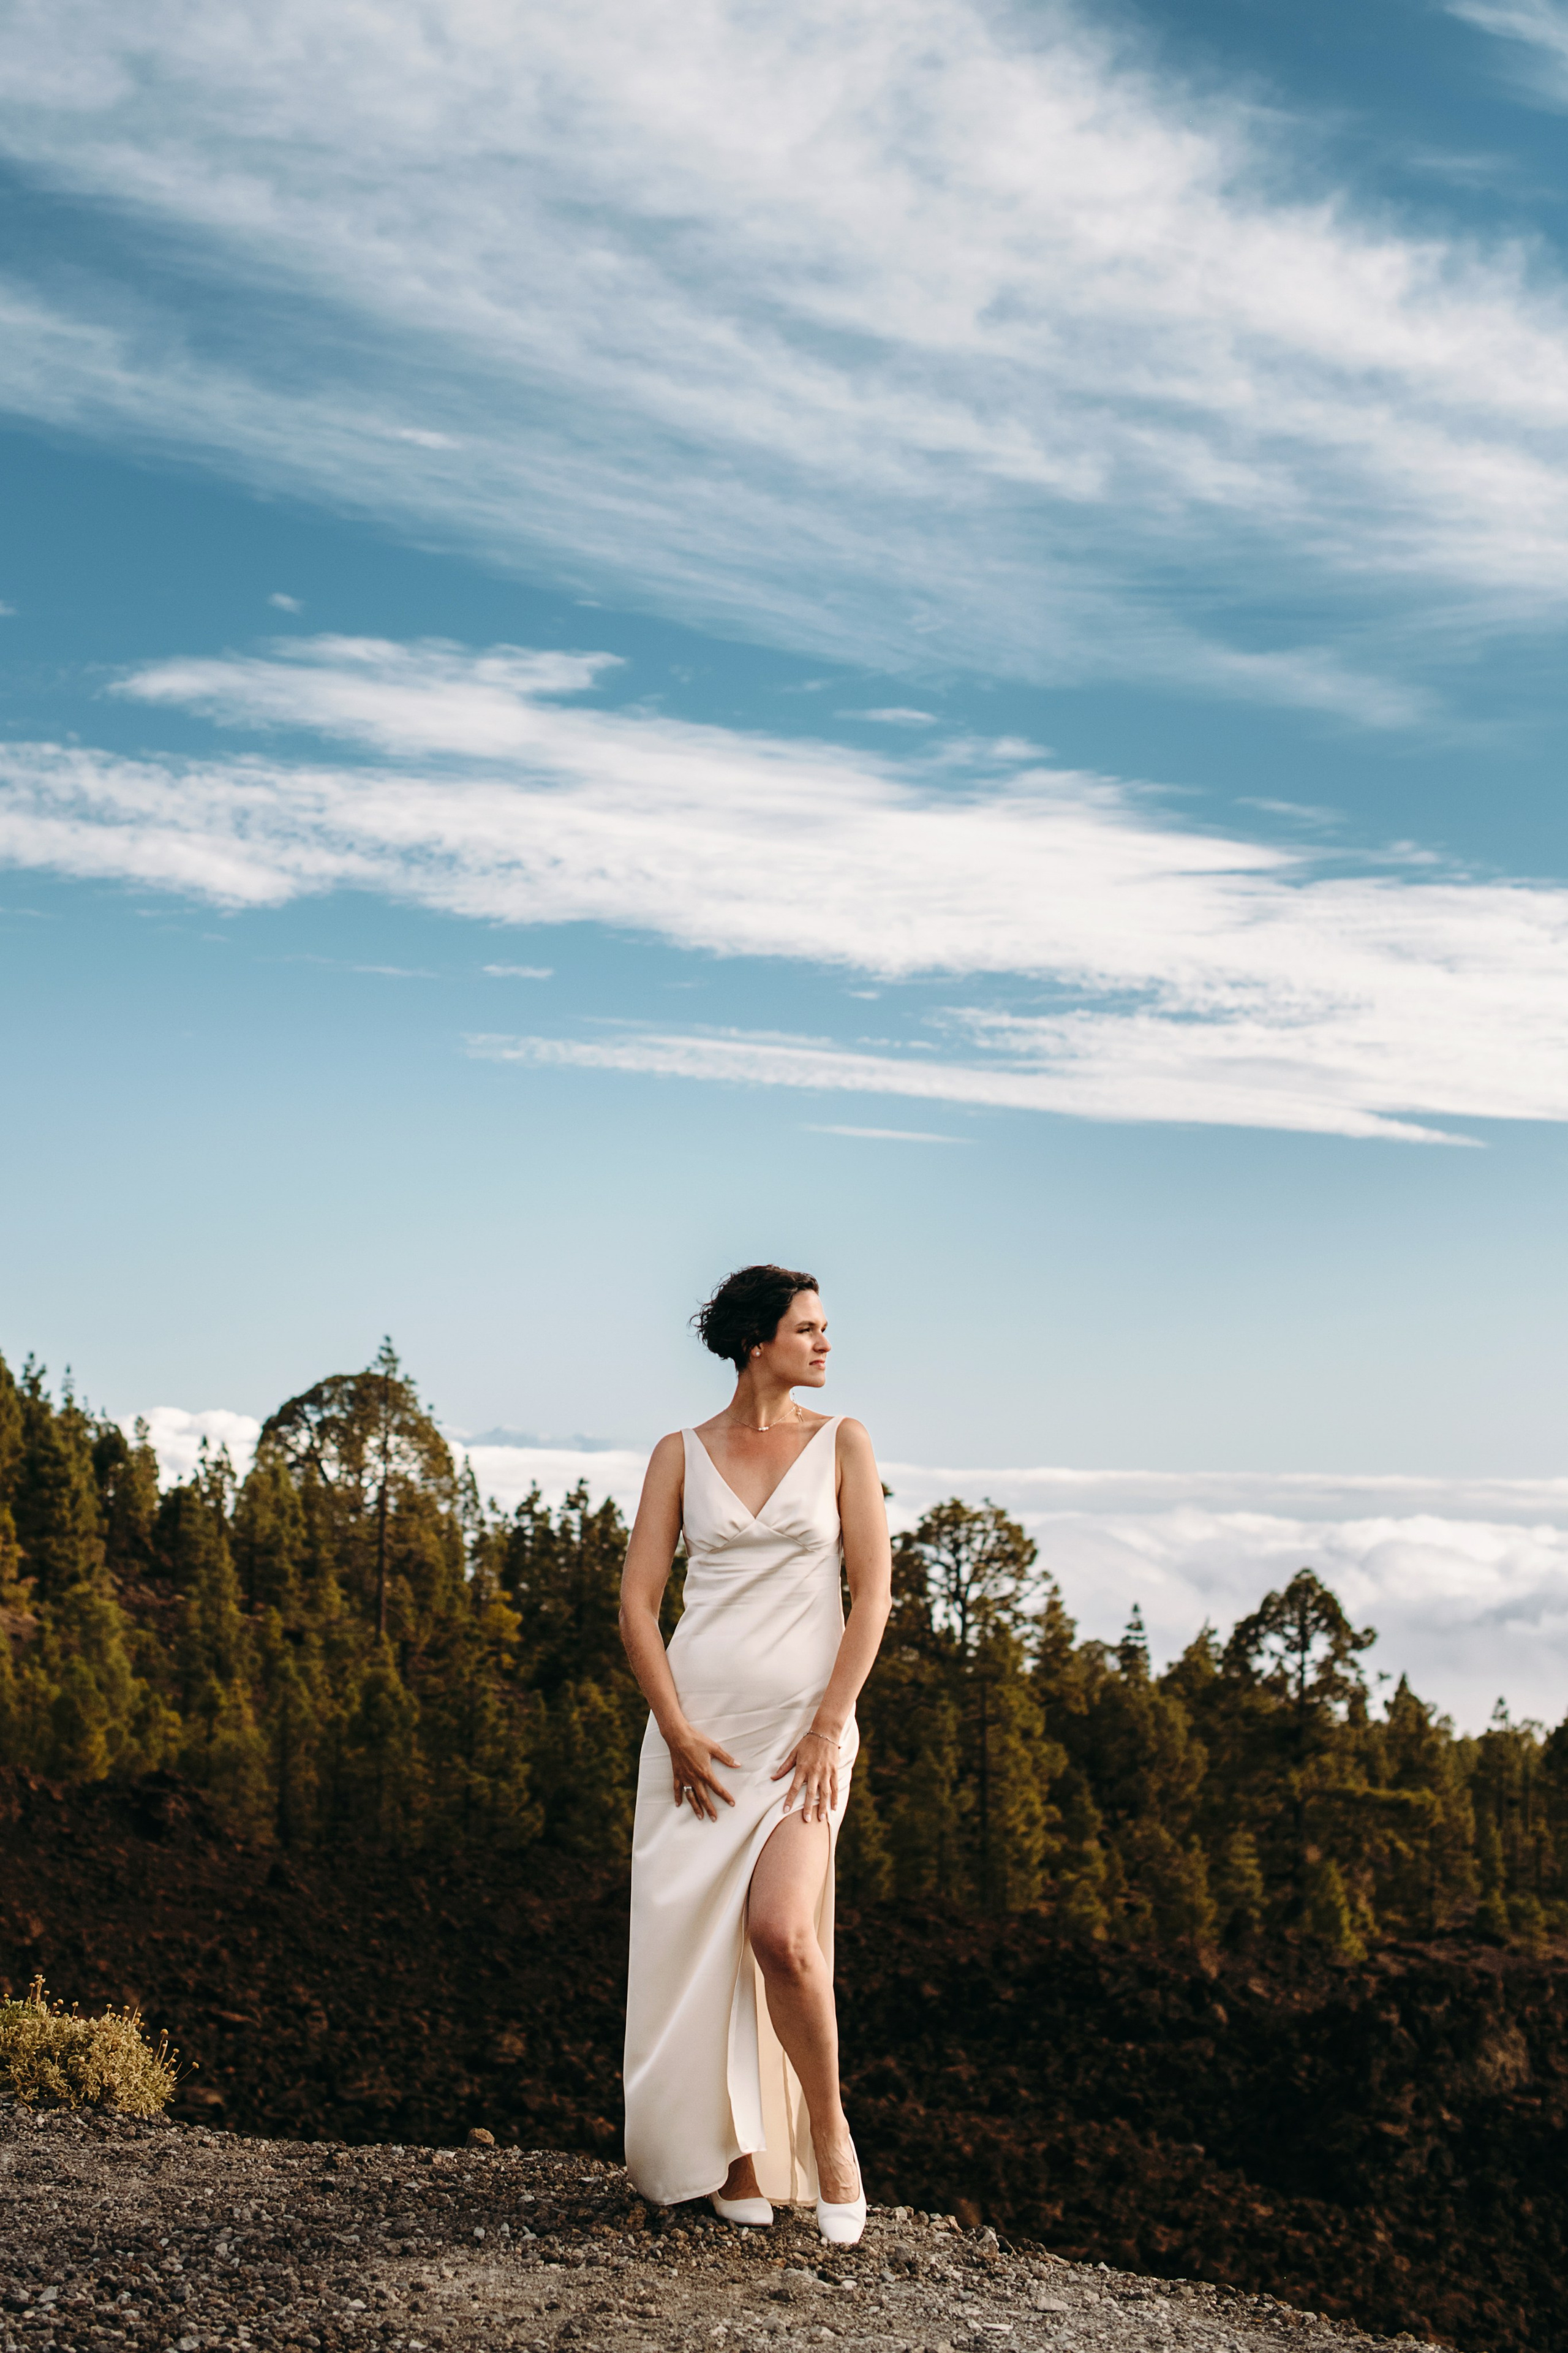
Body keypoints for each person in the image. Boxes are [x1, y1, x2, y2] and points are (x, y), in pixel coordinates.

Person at [618, 1264, 892, 2243]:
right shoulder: (680, 1453)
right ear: (755, 1340)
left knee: (781, 1932)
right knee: (698, 1952)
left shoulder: (844, 1441)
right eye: (807, 1328)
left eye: (824, 1327)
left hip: (803, 1738)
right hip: (698, 1740)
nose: (825, 1343)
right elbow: (638, 1603)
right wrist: (675, 1728)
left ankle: (829, 2134)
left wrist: (828, 1726)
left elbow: (874, 1595)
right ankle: (730, 2156)